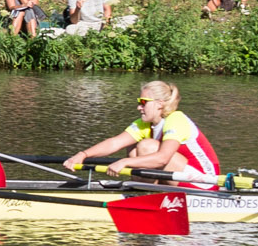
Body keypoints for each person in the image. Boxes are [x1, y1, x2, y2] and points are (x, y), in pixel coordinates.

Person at [64, 81, 222, 189]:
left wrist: (125, 162)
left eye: (143, 102)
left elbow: (162, 158)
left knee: (147, 146)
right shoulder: (145, 123)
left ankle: (146, 192)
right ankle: (142, 191)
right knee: (132, 145)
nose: (139, 107)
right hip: (178, 179)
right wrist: (82, 155)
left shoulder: (176, 119)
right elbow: (114, 143)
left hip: (205, 183)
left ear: (160, 103)